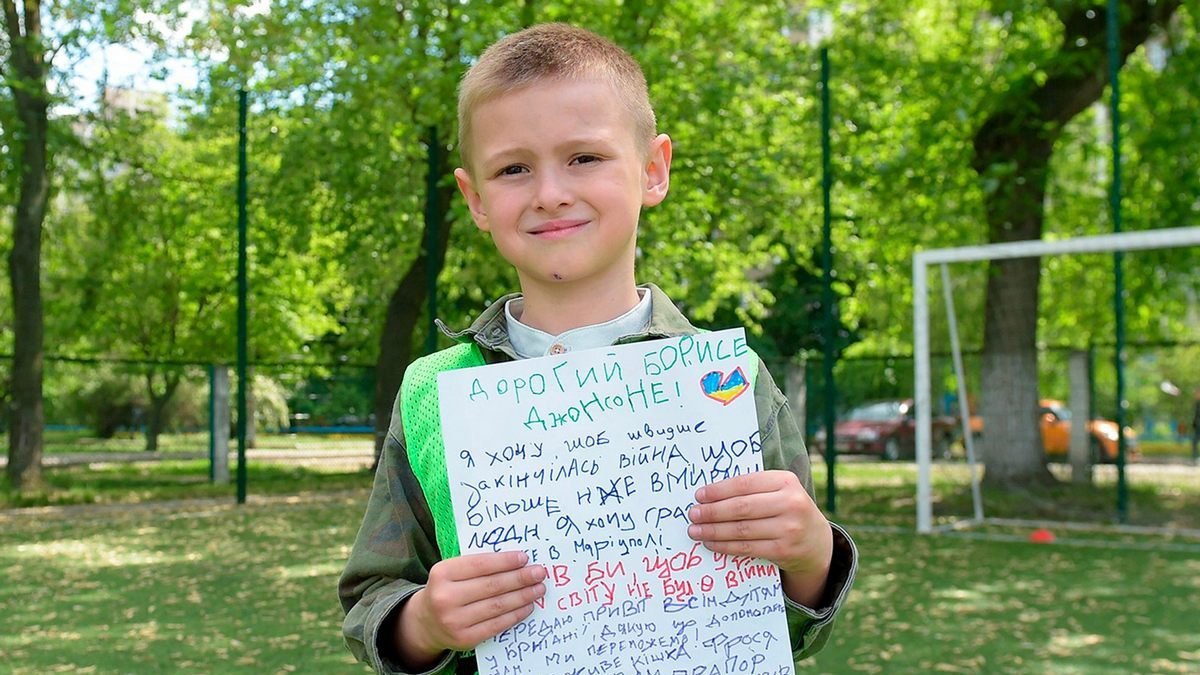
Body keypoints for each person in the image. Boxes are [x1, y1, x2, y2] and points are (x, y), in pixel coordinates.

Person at [339, 23, 857, 674]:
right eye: (513, 168)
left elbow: (786, 626)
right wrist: (425, 621)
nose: (550, 191)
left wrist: (812, 556)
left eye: (584, 157)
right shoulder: (432, 391)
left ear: (653, 170)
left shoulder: (727, 381)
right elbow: (371, 595)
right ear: (474, 199)